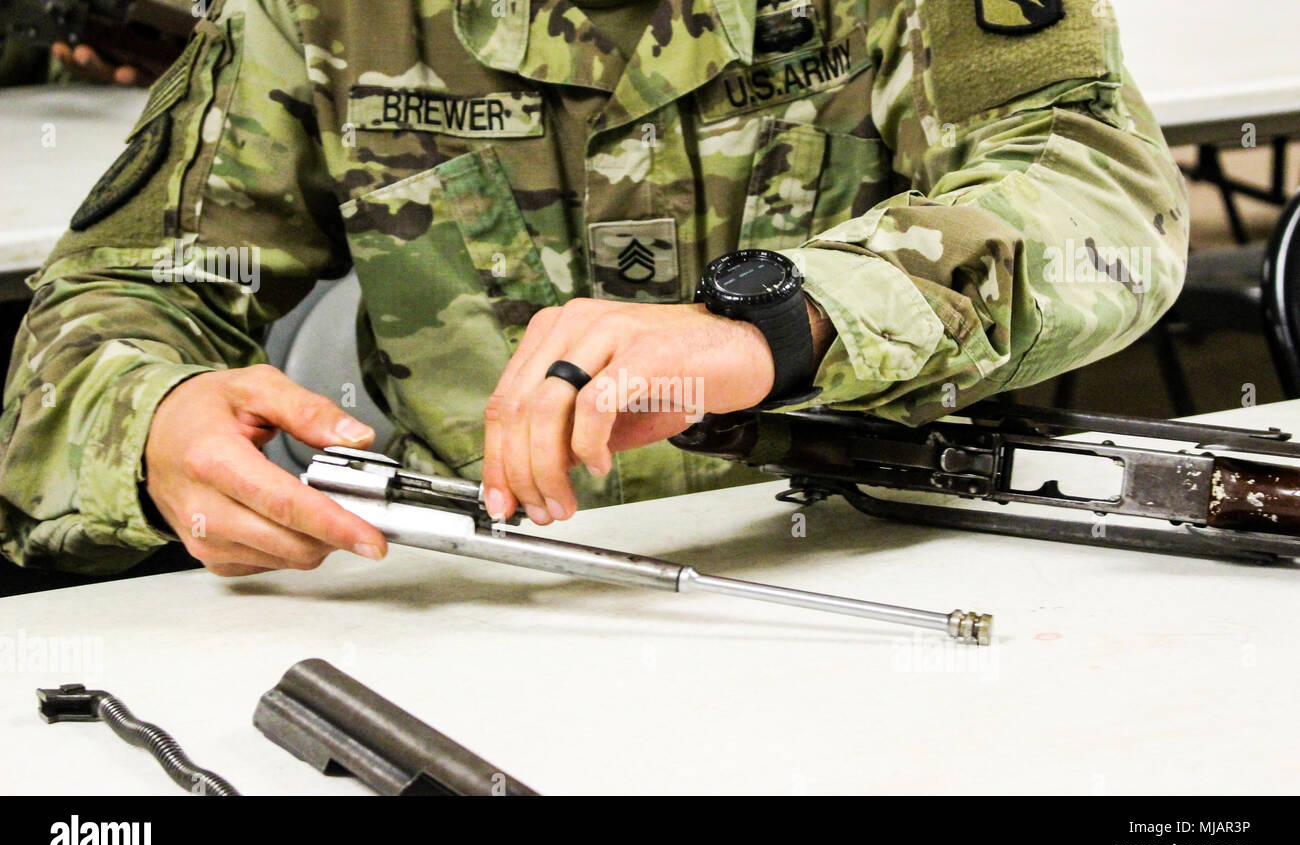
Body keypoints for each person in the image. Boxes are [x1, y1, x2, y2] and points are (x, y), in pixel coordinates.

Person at [0, 0, 1189, 577]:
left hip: (886, 560)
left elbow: (1102, 213)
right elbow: (125, 290)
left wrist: (797, 314)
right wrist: (150, 418)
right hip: (482, 606)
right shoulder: (316, 13)